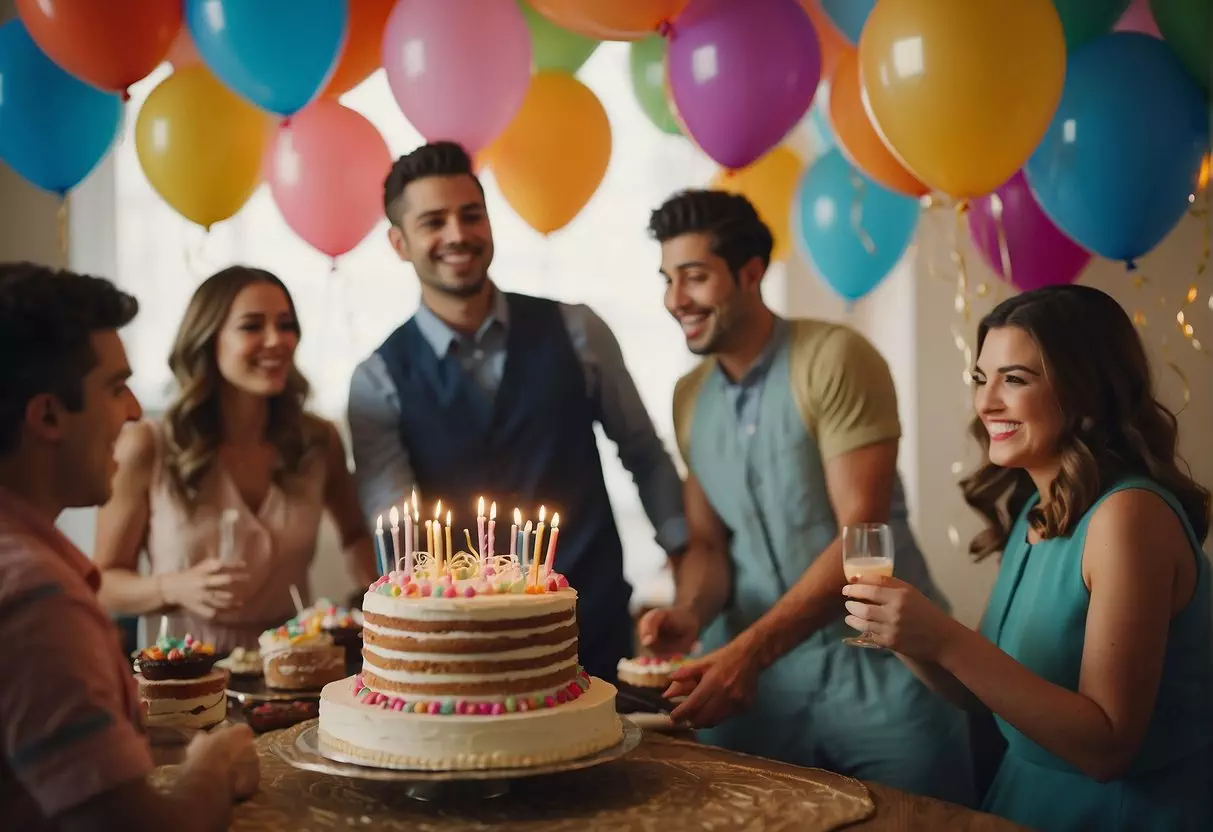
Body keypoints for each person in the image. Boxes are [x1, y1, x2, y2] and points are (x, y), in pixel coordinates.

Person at [640, 190, 974, 804]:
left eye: (694, 277)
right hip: (753, 690)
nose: (675, 300)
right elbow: (711, 544)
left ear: (750, 273)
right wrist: (689, 613)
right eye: (667, 279)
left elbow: (861, 538)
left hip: (879, 672)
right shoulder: (689, 396)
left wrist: (752, 650)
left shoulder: (835, 358)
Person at [843, 286, 1213, 831]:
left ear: (1086, 391)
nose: (986, 401)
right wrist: (908, 637)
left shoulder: (1128, 517)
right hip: (1026, 799)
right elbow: (982, 694)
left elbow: (1108, 748)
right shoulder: (1038, 511)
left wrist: (945, 638)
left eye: (1014, 379)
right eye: (980, 378)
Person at [348, 141, 687, 683]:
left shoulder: (578, 330)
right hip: (459, 651)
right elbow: (402, 541)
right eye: (434, 221)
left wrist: (683, 555)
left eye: (471, 215)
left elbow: (644, 454)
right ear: (399, 243)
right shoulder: (377, 380)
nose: (458, 234)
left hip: (590, 623)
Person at [0, 262, 258, 831]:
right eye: (116, 388)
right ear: (47, 415)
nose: (136, 411)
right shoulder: (35, 601)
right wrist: (213, 767)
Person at [95, 266, 377, 652]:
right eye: (252, 326)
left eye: (286, 324)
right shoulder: (149, 444)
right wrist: (171, 586)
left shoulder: (318, 440)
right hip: (182, 675)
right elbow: (102, 584)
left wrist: (377, 604)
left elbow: (355, 535)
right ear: (208, 339)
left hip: (291, 667)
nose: (277, 340)